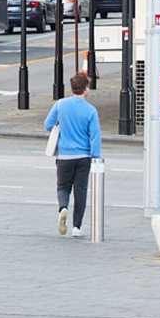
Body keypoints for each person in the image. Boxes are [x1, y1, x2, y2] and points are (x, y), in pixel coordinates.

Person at [44, 71, 102, 237]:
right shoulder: (91, 110)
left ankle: (63, 208)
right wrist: (95, 156)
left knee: (63, 187)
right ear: (85, 88)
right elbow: (95, 135)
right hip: (83, 156)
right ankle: (77, 227)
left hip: (64, 156)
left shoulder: (61, 105)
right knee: (81, 190)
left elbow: (47, 125)